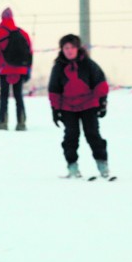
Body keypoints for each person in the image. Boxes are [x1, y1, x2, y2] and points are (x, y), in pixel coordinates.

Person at [48, 34, 110, 178]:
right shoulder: (58, 68)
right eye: (66, 48)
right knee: (71, 136)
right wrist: (55, 110)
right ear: (62, 50)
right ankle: (72, 166)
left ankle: (102, 164)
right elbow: (54, 90)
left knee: (92, 134)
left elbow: (100, 83)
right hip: (68, 107)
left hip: (89, 104)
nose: (69, 51)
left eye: (72, 48)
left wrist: (102, 102)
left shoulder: (88, 64)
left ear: (78, 48)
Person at [0, 7, 33, 131]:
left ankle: (3, 123)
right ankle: (21, 123)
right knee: (19, 96)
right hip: (20, 69)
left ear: (2, 18)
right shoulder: (23, 33)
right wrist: (28, 69)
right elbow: (30, 52)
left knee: (4, 96)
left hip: (4, 69)